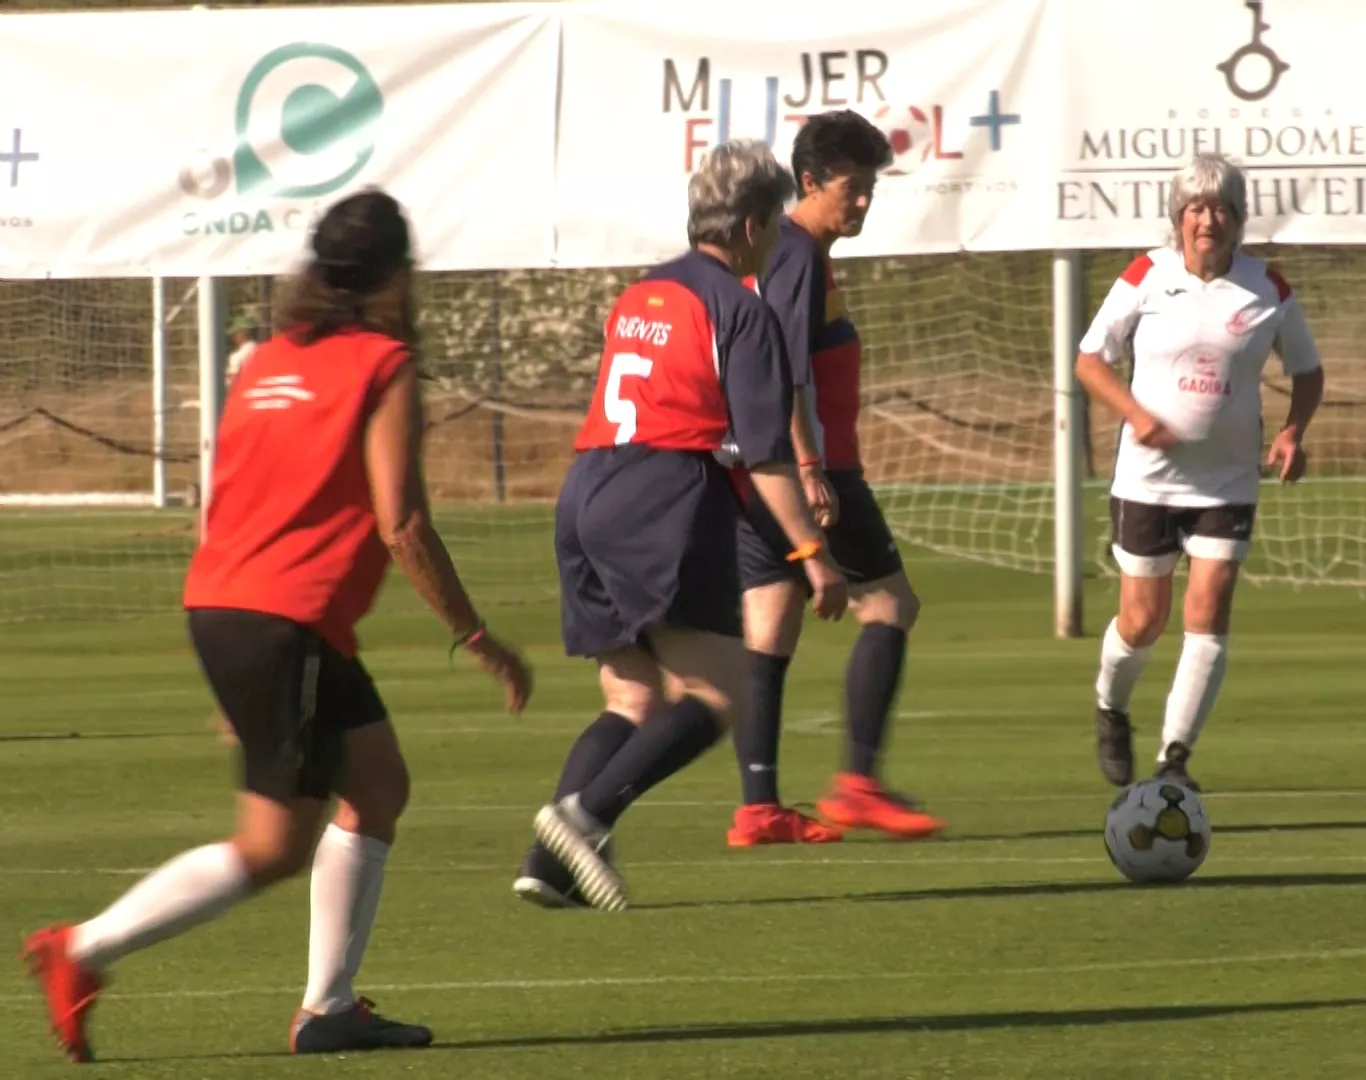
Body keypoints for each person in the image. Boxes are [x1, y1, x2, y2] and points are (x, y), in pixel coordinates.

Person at [20, 189, 534, 1063]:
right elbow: (401, 521)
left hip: (236, 606)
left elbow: (221, 503)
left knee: (376, 784)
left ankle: (328, 1008)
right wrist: (477, 634)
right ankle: (81, 950)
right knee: (271, 846)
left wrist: (241, 668)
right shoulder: (383, 364)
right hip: (283, 620)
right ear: (396, 276)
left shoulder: (267, 359)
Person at [512, 139, 849, 912]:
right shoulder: (740, 308)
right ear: (757, 222)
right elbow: (766, 457)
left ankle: (549, 862)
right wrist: (810, 553)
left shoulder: (641, 294)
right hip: (660, 493)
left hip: (585, 488)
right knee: (722, 687)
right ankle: (586, 815)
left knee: (630, 698)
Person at [723, 110, 943, 846]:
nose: (862, 203)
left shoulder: (786, 253)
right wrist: (812, 467)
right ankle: (858, 783)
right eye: (851, 188)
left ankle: (759, 805)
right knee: (890, 606)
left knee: (770, 622)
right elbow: (783, 367)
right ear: (809, 182)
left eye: (871, 188)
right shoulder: (796, 253)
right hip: (812, 470)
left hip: (758, 469)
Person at [1076, 152, 1325, 791]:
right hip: (1147, 480)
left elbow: (1307, 370)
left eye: (1220, 208)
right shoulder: (1145, 275)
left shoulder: (1267, 287)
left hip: (1228, 481)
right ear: (1177, 218)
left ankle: (1174, 760)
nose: (1206, 219)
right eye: (1195, 208)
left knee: (1208, 608)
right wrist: (1134, 413)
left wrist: (1294, 430)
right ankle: (1111, 706)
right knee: (1141, 620)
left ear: (1238, 219)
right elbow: (1090, 361)